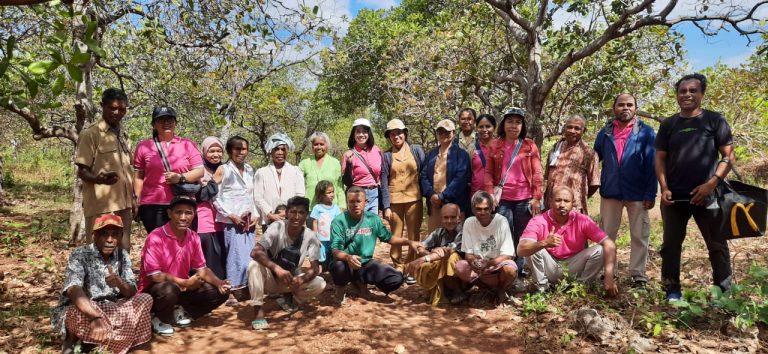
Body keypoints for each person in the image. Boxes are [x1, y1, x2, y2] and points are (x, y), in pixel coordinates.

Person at [655, 73, 736, 301]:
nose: (687, 95)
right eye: (683, 91)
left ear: (702, 93)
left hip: (708, 196)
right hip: (675, 198)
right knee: (670, 246)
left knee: (717, 245)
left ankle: (722, 293)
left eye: (693, 91)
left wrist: (711, 184)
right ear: (677, 95)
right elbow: (660, 158)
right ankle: (672, 290)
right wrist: (664, 188)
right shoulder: (669, 124)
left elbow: (729, 156)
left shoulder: (714, 120)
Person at [52, 214, 152, 354]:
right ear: (94, 236)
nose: (110, 240)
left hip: (112, 308)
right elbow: (73, 289)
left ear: (121, 236)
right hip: (89, 309)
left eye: (115, 234)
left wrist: (119, 283)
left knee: (145, 299)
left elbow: (132, 292)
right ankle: (74, 339)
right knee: (74, 311)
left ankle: (97, 342)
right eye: (104, 234)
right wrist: (95, 318)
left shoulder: (122, 255)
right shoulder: (80, 254)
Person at [138, 195, 230, 336]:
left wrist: (219, 282)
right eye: (178, 212)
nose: (183, 217)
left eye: (188, 213)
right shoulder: (155, 237)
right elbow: (154, 276)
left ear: (194, 215)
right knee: (169, 289)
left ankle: (179, 310)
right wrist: (185, 283)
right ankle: (157, 318)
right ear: (169, 213)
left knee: (219, 292)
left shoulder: (193, 237)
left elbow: (202, 268)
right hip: (154, 292)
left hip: (179, 288)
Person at [593, 94, 657, 288]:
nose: (625, 108)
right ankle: (607, 272)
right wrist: (596, 183)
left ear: (635, 109)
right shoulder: (605, 132)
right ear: (614, 108)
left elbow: (652, 164)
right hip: (611, 191)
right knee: (606, 234)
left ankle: (638, 275)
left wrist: (650, 193)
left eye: (630, 105)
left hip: (637, 192)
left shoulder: (646, 132)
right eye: (621, 105)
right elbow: (595, 158)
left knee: (639, 235)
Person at [517, 186, 619, 296]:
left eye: (566, 201)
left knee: (601, 250)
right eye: (558, 200)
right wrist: (544, 243)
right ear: (550, 201)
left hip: (574, 265)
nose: (562, 205)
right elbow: (521, 250)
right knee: (533, 248)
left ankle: (580, 287)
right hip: (549, 266)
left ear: (573, 203)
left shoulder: (582, 220)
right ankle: (543, 287)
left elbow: (610, 245)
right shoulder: (538, 220)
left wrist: (609, 276)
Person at [330, 186, 422, 304]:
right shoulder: (339, 221)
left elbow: (389, 238)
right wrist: (348, 257)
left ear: (365, 202)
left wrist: (409, 242)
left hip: (366, 263)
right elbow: (335, 250)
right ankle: (340, 290)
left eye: (358, 201)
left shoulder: (372, 219)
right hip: (346, 262)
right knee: (339, 267)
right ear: (347, 203)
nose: (355, 205)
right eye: (351, 202)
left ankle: (360, 281)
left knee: (396, 279)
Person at [247, 196, 326, 330]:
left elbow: (315, 268)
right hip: (270, 279)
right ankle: (258, 310)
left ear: (307, 215)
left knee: (320, 283)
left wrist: (302, 280)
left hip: (290, 281)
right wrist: (277, 269)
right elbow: (255, 252)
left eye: (301, 212)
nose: (296, 216)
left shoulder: (310, 236)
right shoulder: (277, 226)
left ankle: (291, 298)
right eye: (293, 212)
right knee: (253, 265)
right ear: (287, 213)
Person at [484, 107, 542, 275]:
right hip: (502, 199)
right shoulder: (495, 145)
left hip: (524, 198)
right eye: (510, 121)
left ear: (522, 126)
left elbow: (537, 173)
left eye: (518, 122)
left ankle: (521, 267)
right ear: (504, 124)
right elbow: (488, 172)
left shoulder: (529, 145)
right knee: (505, 232)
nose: (514, 126)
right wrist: (489, 193)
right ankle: (507, 266)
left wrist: (536, 197)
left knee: (523, 233)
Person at [75, 88, 135, 250]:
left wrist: (134, 199)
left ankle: (121, 277)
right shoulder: (91, 134)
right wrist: (98, 179)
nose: (117, 112)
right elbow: (82, 171)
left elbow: (129, 170)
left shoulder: (124, 135)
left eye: (122, 109)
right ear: (102, 106)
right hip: (101, 206)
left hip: (124, 205)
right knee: (100, 253)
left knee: (123, 252)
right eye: (113, 108)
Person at [133, 106, 204, 233]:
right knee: (158, 243)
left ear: (175, 123)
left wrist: (180, 177)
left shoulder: (188, 144)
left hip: (183, 202)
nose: (166, 123)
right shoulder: (143, 146)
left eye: (170, 119)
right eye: (161, 120)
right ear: (153, 124)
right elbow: (138, 176)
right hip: (153, 204)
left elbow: (199, 171)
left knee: (183, 244)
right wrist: (137, 201)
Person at [212, 136, 258, 303]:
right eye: (237, 149)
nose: (241, 152)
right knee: (234, 255)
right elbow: (214, 196)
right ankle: (231, 291)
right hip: (231, 221)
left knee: (249, 255)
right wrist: (230, 214)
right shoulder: (223, 170)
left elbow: (252, 195)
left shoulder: (250, 169)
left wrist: (255, 215)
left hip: (248, 220)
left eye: (244, 149)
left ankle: (247, 287)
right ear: (230, 151)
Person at [380, 118, 426, 279]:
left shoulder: (416, 150)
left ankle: (411, 267)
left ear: (405, 133)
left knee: (414, 234)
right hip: (394, 200)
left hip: (414, 198)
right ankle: (398, 266)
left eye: (398, 132)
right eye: (392, 134)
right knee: (396, 236)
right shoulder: (386, 156)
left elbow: (423, 172)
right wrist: (385, 206)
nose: (396, 136)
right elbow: (384, 181)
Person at [454, 191, 517, 303]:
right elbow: (468, 254)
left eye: (486, 208)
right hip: (479, 268)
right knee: (460, 267)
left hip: (497, 266)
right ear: (473, 210)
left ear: (492, 208)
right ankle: (485, 289)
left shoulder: (501, 221)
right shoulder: (469, 222)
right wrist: (473, 261)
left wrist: (489, 263)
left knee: (510, 269)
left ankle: (501, 290)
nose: (482, 212)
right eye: (478, 209)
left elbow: (508, 255)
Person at [406, 203, 465, 305]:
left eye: (452, 217)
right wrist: (430, 253)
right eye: (446, 218)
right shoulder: (438, 232)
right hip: (444, 270)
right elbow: (420, 247)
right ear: (442, 219)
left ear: (459, 218)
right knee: (430, 261)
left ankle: (458, 292)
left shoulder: (463, 232)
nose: (449, 221)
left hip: (462, 277)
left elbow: (448, 251)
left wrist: (423, 259)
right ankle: (436, 291)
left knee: (451, 257)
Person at [421, 119, 470, 233]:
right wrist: (431, 194)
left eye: (447, 132)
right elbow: (423, 176)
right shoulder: (431, 154)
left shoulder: (461, 154)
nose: (444, 135)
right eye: (440, 132)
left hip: (454, 203)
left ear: (453, 133)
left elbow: (461, 179)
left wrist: (442, 196)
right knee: (434, 238)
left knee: (456, 241)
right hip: (434, 205)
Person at [544, 114, 600, 214]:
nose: (572, 131)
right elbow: (547, 176)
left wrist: (578, 196)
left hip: (574, 207)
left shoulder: (589, 153)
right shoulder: (556, 147)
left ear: (584, 130)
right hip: (551, 204)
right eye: (569, 127)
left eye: (577, 128)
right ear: (564, 128)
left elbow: (594, 183)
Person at [254, 132, 305, 230]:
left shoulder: (296, 171)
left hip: (292, 219)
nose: (280, 152)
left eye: (283, 149)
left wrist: (288, 212)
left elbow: (300, 195)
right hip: (270, 220)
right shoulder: (261, 172)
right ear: (271, 151)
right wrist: (270, 214)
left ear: (287, 151)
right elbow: (258, 197)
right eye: (276, 149)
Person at [197, 136, 226, 280]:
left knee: (223, 254)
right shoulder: (199, 170)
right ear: (204, 152)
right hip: (205, 221)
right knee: (209, 255)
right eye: (211, 151)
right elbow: (200, 195)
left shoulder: (226, 168)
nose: (216, 154)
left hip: (224, 220)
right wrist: (215, 180)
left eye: (219, 151)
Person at [341, 118, 383, 213]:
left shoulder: (377, 150)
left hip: (374, 194)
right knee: (358, 226)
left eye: (364, 132)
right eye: (358, 132)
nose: (361, 135)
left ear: (369, 134)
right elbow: (346, 181)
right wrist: (349, 164)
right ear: (353, 135)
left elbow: (382, 174)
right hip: (356, 195)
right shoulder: (348, 154)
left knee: (372, 224)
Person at [299, 132, 346, 210]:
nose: (319, 147)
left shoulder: (335, 163)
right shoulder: (304, 164)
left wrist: (342, 206)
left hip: (332, 209)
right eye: (316, 144)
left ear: (326, 146)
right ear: (312, 146)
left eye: (321, 144)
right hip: (310, 208)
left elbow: (339, 187)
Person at [310, 180, 342, 271]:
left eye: (332, 192)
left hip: (333, 239)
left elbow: (339, 222)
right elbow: (315, 222)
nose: (332, 194)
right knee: (320, 259)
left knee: (333, 257)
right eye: (328, 192)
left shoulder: (336, 208)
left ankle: (332, 274)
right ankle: (319, 274)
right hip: (321, 240)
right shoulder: (317, 208)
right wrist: (315, 236)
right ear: (321, 195)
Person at [469, 113, 496, 198]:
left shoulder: (501, 147)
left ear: (494, 128)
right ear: (476, 128)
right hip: (477, 195)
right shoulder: (471, 148)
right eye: (481, 127)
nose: (484, 129)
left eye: (488, 126)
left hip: (496, 195)